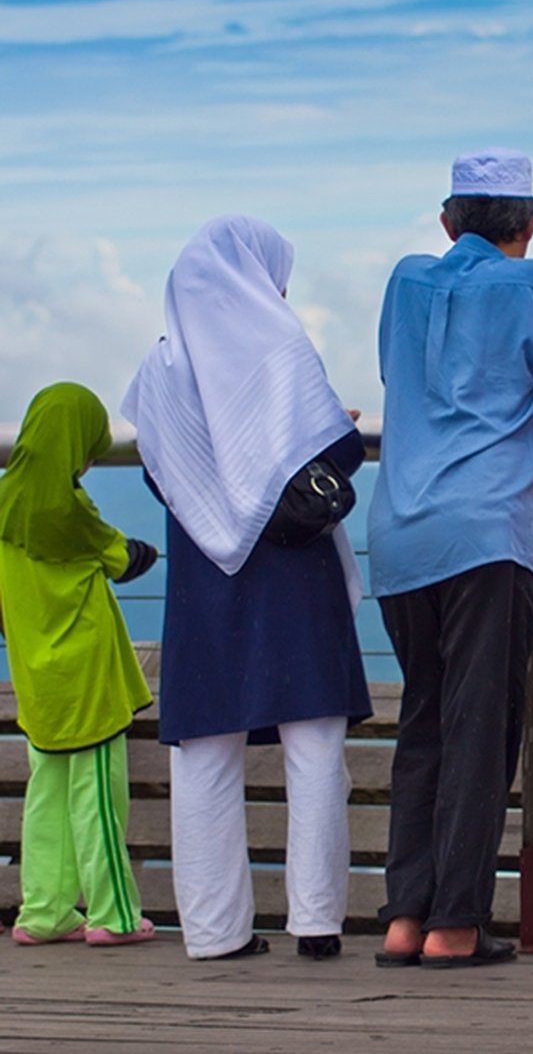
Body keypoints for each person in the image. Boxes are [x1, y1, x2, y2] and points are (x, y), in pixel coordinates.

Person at [369, 147, 533, 968]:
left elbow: (412, 381)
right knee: (481, 730)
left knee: (425, 723)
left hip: (398, 530)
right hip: (484, 535)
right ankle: (455, 925)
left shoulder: (406, 281)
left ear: (448, 222)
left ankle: (404, 917)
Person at [122, 215, 371, 962]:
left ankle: (213, 931)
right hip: (294, 572)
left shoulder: (158, 371)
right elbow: (337, 454)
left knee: (204, 751)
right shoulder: (282, 348)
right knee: (314, 744)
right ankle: (317, 922)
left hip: (206, 579)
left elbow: (162, 476)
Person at [0, 382, 158, 947]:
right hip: (88, 679)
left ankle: (43, 912)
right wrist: (144, 549)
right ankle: (114, 916)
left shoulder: (5, 503)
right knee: (99, 802)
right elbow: (125, 559)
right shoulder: (71, 511)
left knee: (46, 798)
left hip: (36, 678)